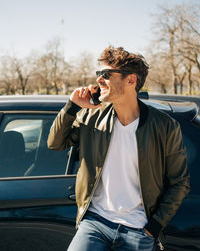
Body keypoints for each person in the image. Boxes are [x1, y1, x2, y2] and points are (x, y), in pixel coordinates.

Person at [47, 46, 190, 251]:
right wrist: (71, 107)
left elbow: (180, 182)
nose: (98, 80)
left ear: (131, 80)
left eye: (105, 74)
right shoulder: (91, 116)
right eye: (98, 74)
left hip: (138, 229)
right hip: (95, 222)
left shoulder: (165, 126)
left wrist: (154, 226)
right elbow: (55, 143)